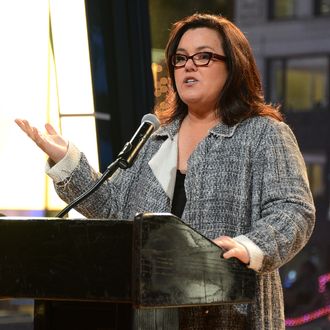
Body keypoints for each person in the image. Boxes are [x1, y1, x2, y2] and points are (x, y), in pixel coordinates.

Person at [15, 13, 315, 330]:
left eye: (203, 57)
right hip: (150, 317)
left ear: (233, 66)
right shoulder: (156, 137)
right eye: (180, 58)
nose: (188, 66)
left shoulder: (263, 134)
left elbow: (293, 210)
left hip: (231, 315)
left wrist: (251, 247)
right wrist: (67, 160)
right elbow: (114, 209)